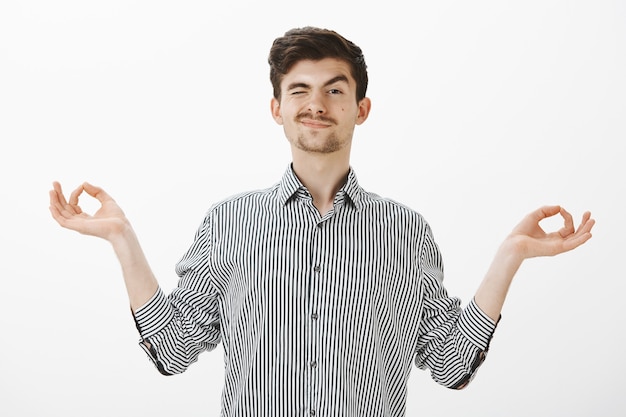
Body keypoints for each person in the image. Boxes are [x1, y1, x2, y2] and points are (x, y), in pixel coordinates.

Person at [49, 26, 595, 417]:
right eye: (299, 91)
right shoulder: (228, 223)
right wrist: (123, 240)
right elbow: (172, 352)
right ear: (276, 109)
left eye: (335, 89)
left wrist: (510, 257)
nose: (317, 104)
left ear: (361, 108)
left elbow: (452, 364)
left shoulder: (407, 231)